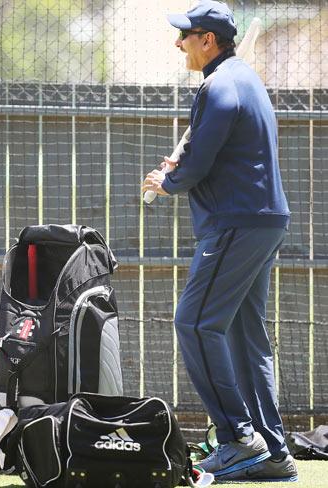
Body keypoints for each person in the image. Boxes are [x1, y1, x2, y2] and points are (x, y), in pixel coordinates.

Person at [142, 1, 297, 483]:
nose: (178, 43)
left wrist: (168, 181)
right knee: (246, 337)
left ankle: (236, 438)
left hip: (235, 224)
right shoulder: (242, 75)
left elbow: (206, 144)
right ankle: (273, 454)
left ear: (208, 40)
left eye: (185, 35)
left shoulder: (220, 84)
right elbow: (221, 141)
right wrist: (182, 170)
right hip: (262, 222)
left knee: (194, 323)